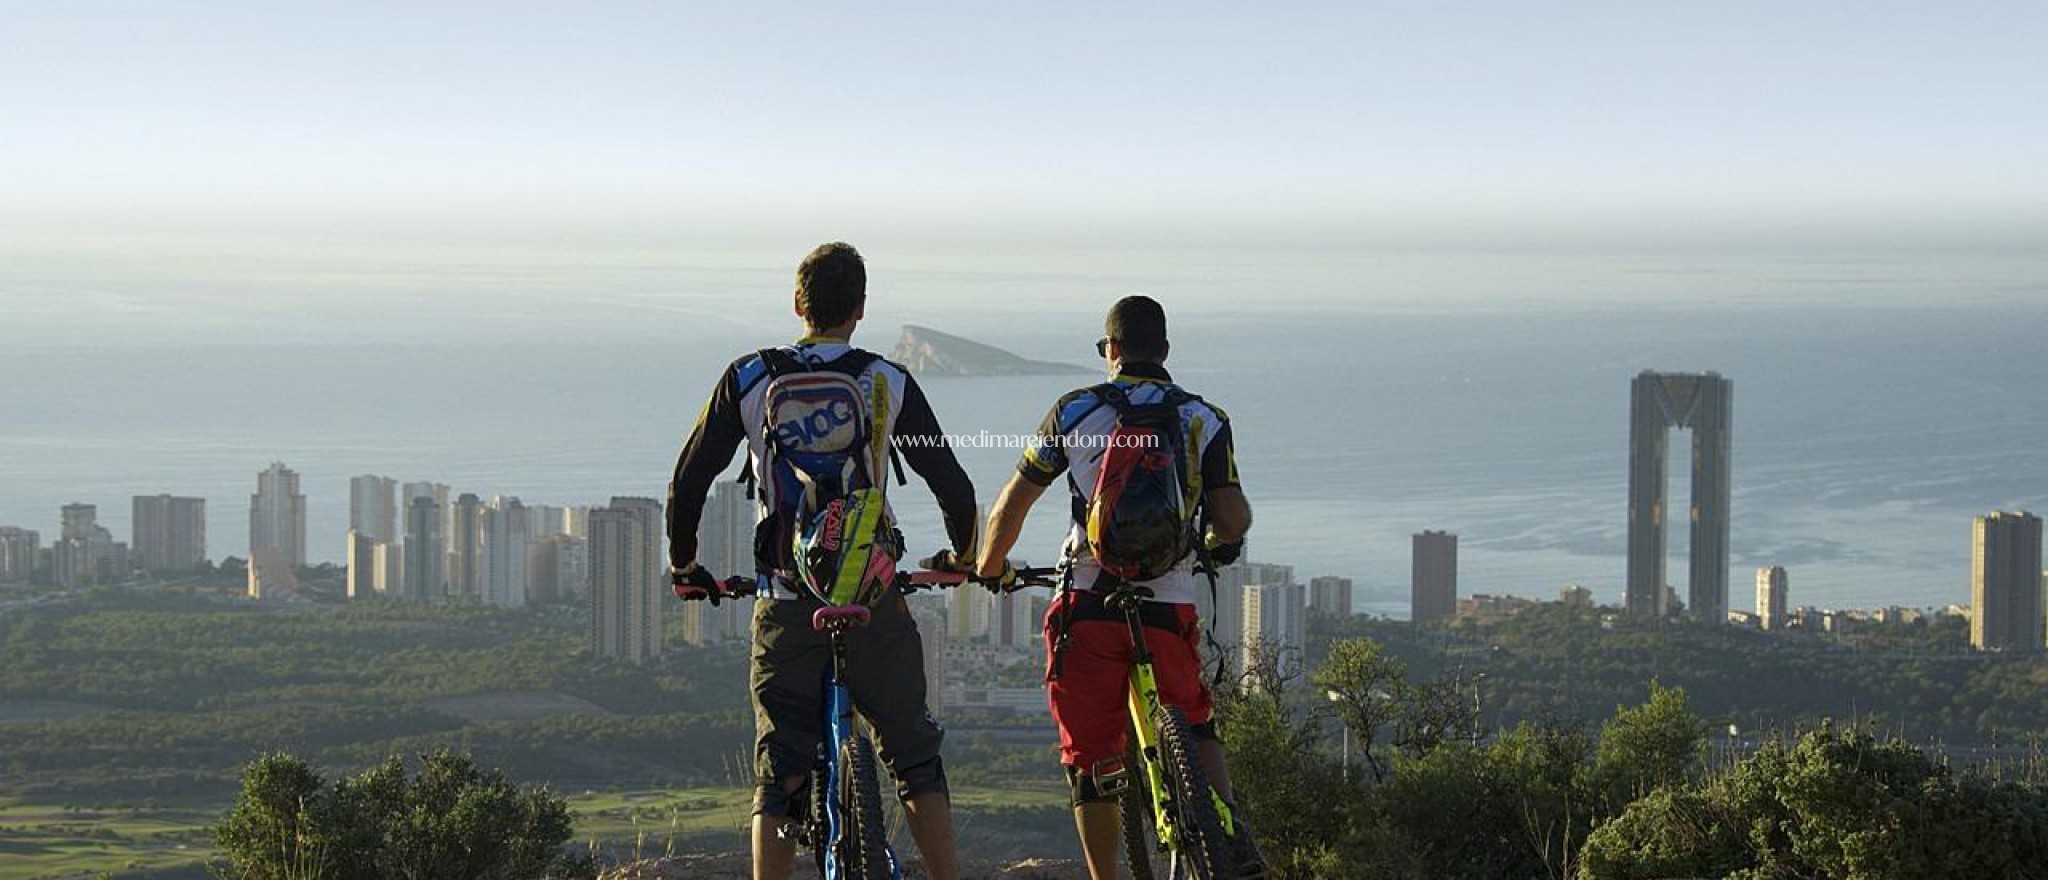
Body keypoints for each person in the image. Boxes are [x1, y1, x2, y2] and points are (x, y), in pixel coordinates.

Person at [666, 242, 978, 880]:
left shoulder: (750, 377)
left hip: (785, 601)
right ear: (860, 310)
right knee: (915, 757)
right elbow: (952, 483)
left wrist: (685, 564)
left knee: (780, 766)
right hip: (873, 595)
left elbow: (689, 478)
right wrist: (961, 555)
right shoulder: (886, 379)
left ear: (797, 305)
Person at [973, 295, 1256, 879]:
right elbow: (1231, 519)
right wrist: (1222, 548)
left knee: (1091, 757)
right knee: (1195, 720)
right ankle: (1229, 831)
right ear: (1166, 352)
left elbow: (1013, 502)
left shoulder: (1074, 411)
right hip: (1168, 604)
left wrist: (990, 564)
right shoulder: (1205, 419)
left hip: (1088, 602)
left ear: (1112, 351)